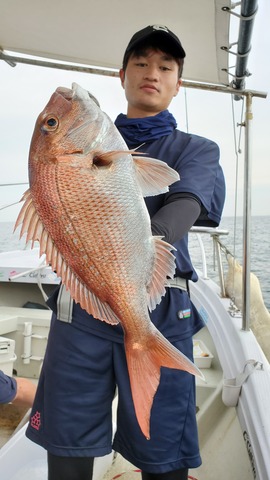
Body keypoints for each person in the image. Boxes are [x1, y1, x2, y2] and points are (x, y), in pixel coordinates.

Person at [26, 25, 225, 480]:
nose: (151, 73)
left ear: (179, 83)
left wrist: (135, 243)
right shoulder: (93, 144)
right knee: (67, 443)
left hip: (159, 305)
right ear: (121, 75)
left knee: (163, 453)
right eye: (140, 63)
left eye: (165, 66)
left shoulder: (197, 149)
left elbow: (188, 203)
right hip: (81, 304)